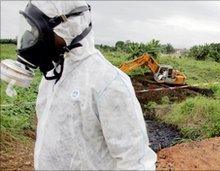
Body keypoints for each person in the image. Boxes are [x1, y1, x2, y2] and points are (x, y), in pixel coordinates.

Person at [16, 1, 156, 170]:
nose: (31, 37)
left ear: (66, 27)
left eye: (37, 29)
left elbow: (135, 162)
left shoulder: (109, 83)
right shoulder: (53, 77)